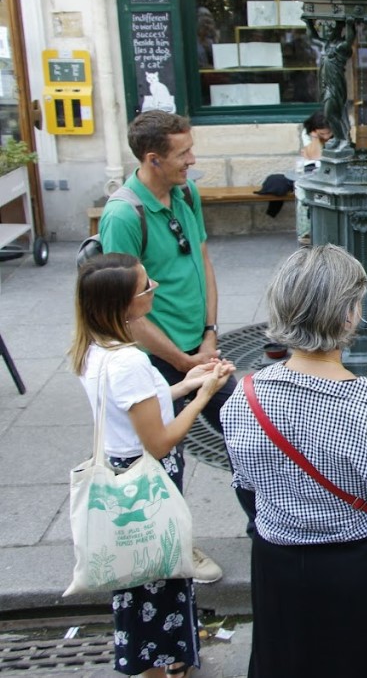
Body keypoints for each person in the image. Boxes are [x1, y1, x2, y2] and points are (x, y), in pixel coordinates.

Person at [220, 245, 367, 677]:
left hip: (279, 564)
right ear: (347, 316)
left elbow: (245, 482)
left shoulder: (244, 399)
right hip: (365, 567)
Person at [71, 254, 233, 678]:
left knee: (136, 577)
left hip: (119, 466)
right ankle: (159, 666)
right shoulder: (130, 362)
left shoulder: (93, 349)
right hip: (146, 480)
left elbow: (141, 405)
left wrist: (192, 380)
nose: (154, 286)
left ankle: (159, 662)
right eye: (145, 287)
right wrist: (203, 396)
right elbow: (160, 440)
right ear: (123, 305)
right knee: (159, 574)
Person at [98, 110, 244, 580]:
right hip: (154, 361)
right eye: (183, 154)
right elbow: (122, 311)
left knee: (250, 432)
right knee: (163, 463)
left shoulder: (186, 191)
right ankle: (177, 548)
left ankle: (270, 521)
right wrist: (184, 362)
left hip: (198, 348)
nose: (193, 161)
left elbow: (202, 261)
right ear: (153, 158)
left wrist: (209, 333)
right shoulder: (124, 215)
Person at [295, 111, 331, 245]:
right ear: (314, 131)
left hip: (329, 172)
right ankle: (305, 232)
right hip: (311, 170)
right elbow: (313, 155)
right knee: (302, 194)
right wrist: (316, 139)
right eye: (323, 134)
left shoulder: (337, 136)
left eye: (329, 133)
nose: (327, 137)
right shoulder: (308, 134)